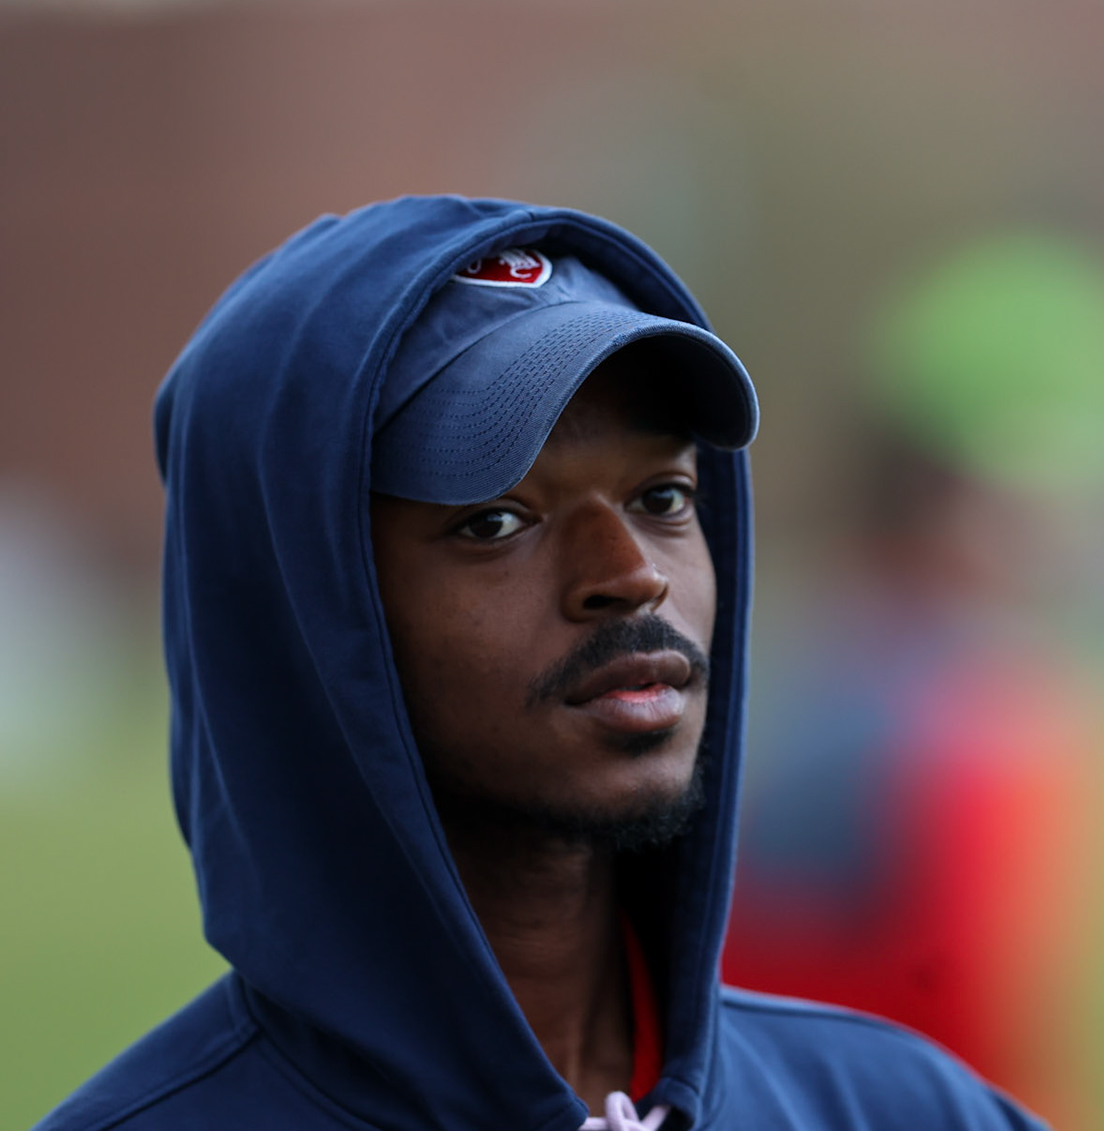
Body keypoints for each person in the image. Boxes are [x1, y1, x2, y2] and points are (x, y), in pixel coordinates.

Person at [36, 195, 1048, 1131]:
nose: (629, 575)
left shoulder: (904, 1107)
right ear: (304, 611)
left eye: (661, 498)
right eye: (496, 520)